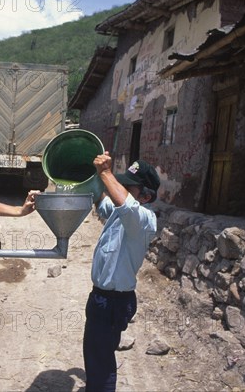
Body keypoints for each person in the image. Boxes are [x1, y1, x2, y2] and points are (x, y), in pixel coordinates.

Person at [83, 152, 160, 392]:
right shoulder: (119, 209)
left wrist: (106, 173)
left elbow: (126, 205)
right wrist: (96, 175)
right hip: (101, 297)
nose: (122, 189)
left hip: (113, 301)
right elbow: (102, 200)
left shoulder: (144, 219)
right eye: (122, 184)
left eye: (129, 186)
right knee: (96, 355)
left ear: (145, 196)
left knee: (101, 362)